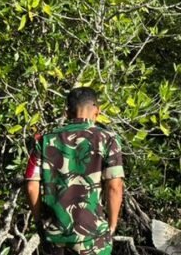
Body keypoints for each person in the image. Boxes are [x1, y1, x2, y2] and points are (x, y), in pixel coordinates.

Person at [25, 87, 125, 255]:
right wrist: (112, 226)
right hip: (93, 236)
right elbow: (115, 186)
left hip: (54, 234)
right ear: (97, 111)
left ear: (66, 113)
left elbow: (31, 186)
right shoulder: (108, 139)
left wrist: (38, 222)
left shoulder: (44, 140)